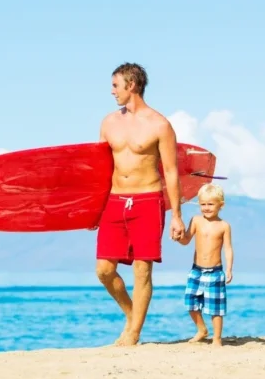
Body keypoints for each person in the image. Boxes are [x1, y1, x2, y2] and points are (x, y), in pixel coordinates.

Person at [91, 62, 186, 346]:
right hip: (114, 200)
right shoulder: (109, 122)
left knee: (142, 270)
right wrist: (93, 209)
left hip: (147, 200)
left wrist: (177, 216)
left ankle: (132, 334)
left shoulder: (160, 125)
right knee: (104, 270)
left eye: (115, 86)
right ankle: (133, 316)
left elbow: (170, 170)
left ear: (131, 85)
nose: (112, 92)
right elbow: (100, 169)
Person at [176, 183, 233, 347]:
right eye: (203, 204)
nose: (206, 208)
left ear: (220, 205)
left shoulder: (224, 226)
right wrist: (179, 237)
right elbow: (186, 240)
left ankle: (217, 338)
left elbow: (228, 249)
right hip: (196, 270)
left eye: (210, 204)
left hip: (215, 272)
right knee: (190, 302)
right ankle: (201, 329)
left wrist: (229, 268)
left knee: (216, 307)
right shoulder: (196, 220)